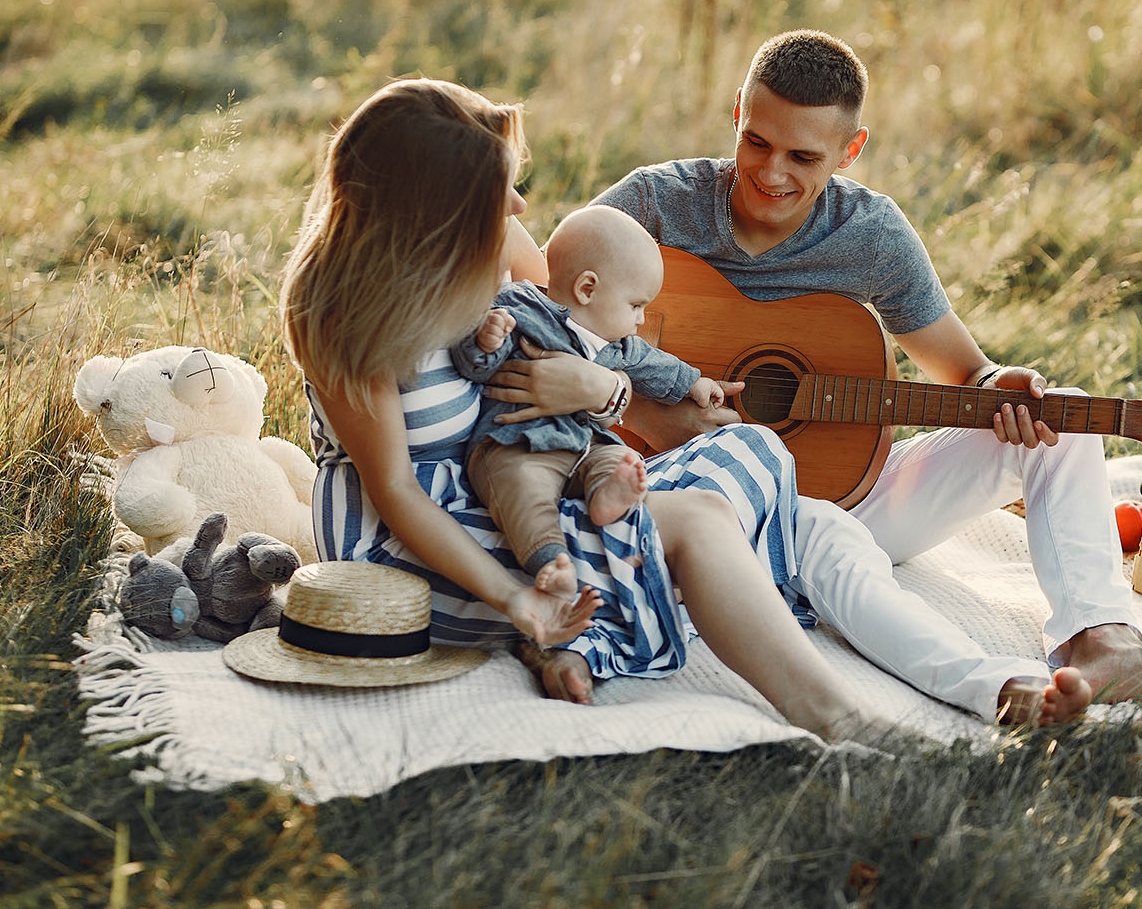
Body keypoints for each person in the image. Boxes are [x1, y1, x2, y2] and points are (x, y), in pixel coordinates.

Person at [582, 29, 1142, 724]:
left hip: (842, 496)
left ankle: (1103, 644)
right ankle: (995, 688)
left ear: (851, 151)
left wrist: (998, 384)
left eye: (803, 156)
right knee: (831, 546)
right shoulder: (656, 206)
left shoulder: (870, 234)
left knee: (1062, 418)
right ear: (738, 114)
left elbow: (966, 370)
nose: (771, 172)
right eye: (757, 141)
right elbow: (538, 315)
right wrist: (652, 415)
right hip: (683, 494)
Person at [278, 77, 873, 738]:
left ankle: (592, 629)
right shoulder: (344, 320)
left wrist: (603, 392)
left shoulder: (497, 243)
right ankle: (844, 721)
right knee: (699, 523)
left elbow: (583, 340)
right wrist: (516, 599)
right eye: (499, 190)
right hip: (412, 540)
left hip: (527, 472)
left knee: (751, 449)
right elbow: (394, 492)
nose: (520, 204)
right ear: (436, 212)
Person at [452, 205, 726, 599]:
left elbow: (653, 363)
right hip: (518, 442)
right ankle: (549, 559)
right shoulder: (521, 308)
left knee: (615, 460)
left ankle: (606, 497)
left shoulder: (618, 344)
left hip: (584, 444)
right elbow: (476, 367)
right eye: (635, 305)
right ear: (587, 289)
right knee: (522, 492)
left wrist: (694, 382)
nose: (640, 319)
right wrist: (486, 341)